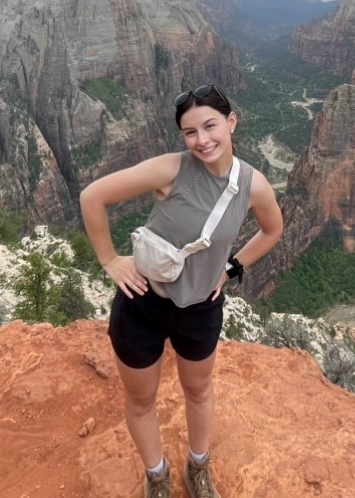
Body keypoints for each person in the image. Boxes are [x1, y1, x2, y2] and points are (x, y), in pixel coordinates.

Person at [81, 83, 283, 498]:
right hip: (142, 303)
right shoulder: (172, 170)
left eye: (210, 126)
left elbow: (272, 230)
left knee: (199, 389)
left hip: (200, 309)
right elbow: (92, 197)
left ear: (231, 122)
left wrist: (232, 268)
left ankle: (198, 468)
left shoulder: (253, 184)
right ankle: (157, 475)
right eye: (190, 132)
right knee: (141, 399)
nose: (202, 140)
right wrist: (109, 260)